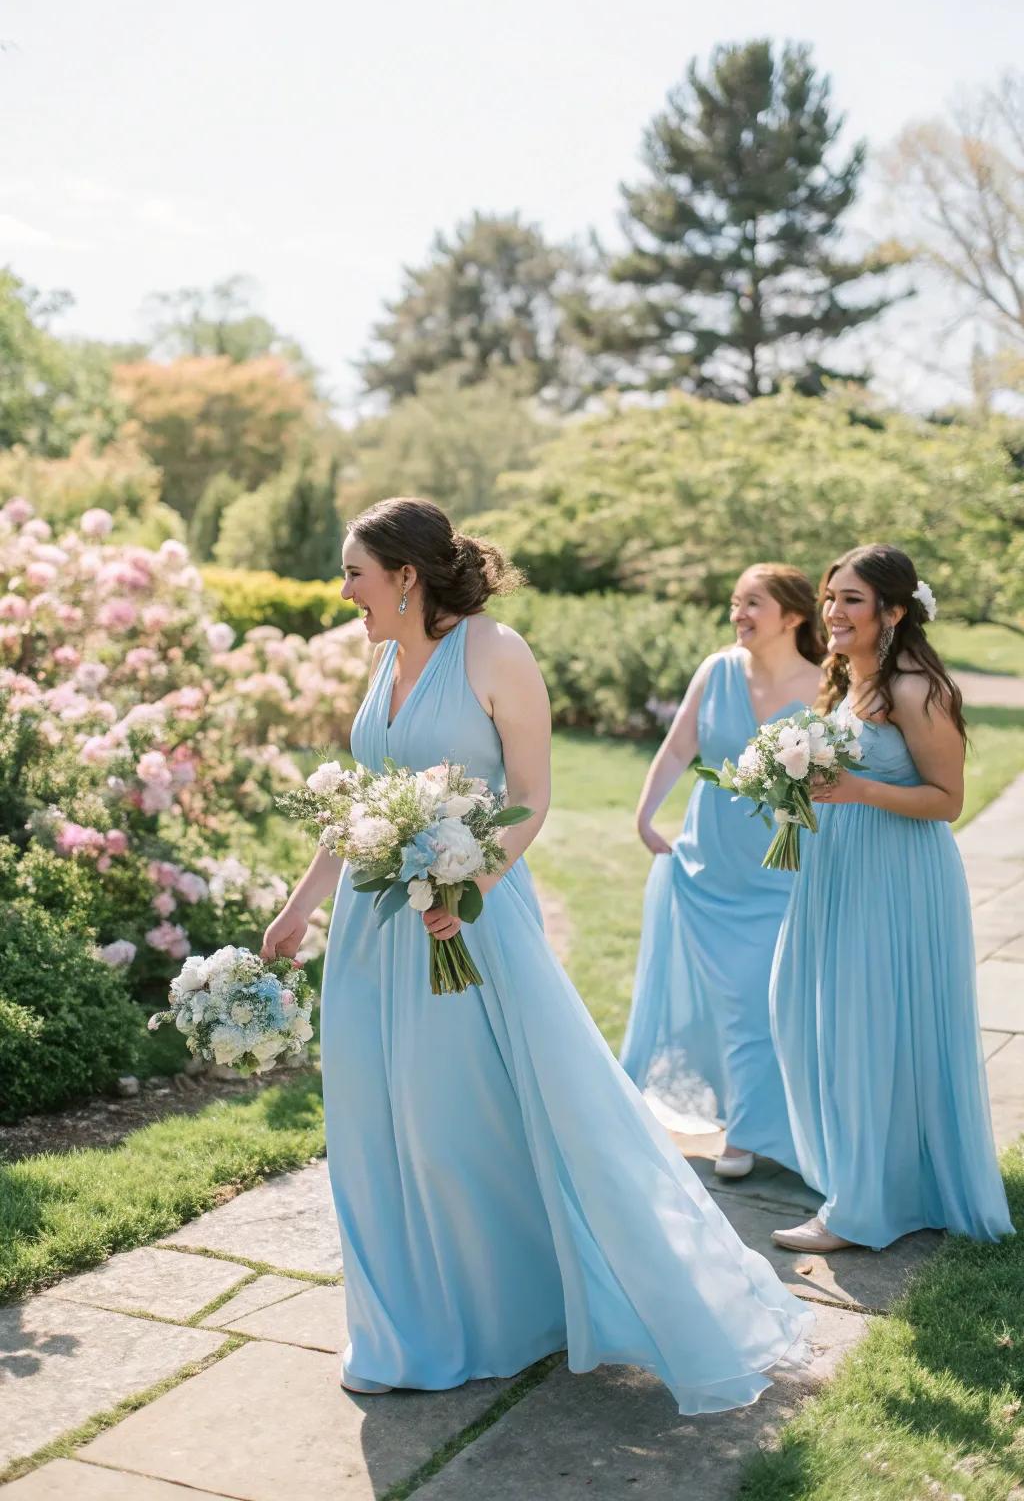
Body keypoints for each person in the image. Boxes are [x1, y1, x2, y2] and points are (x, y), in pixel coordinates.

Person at [262, 497, 810, 1414]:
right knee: (374, 1120)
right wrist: (298, 908)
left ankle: (499, 1313)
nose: (344, 590)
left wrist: (467, 884)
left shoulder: (496, 652)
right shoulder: (385, 654)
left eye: (355, 572)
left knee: (455, 1122)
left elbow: (530, 794)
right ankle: (398, 1321)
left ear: (405, 576)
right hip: (373, 926)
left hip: (467, 921)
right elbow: (362, 800)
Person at [768, 543, 1013, 1253]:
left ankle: (861, 1207)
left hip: (897, 874)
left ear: (895, 611)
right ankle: (870, 1176)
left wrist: (858, 790)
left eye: (852, 599)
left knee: (864, 1030)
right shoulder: (848, 678)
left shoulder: (916, 688)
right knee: (802, 1009)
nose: (833, 611)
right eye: (830, 596)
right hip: (838, 869)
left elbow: (948, 801)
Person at [622, 565, 823, 1178]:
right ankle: (741, 1119)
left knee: (755, 1000)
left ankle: (748, 1132)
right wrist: (645, 815)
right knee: (721, 1001)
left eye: (753, 603)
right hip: (707, 863)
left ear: (793, 616)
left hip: (781, 869)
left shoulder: (824, 685)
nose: (738, 613)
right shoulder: (717, 670)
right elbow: (679, 747)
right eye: (736, 602)